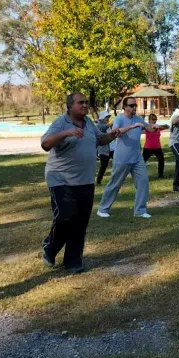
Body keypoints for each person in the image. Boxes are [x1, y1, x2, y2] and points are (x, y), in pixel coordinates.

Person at [41, 93, 117, 274]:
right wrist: (66, 132)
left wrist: (113, 135)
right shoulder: (61, 122)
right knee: (65, 216)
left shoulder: (89, 122)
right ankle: (50, 248)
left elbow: (99, 139)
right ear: (70, 106)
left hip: (84, 180)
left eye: (86, 103)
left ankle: (73, 261)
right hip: (60, 178)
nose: (85, 105)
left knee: (80, 221)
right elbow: (45, 144)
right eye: (80, 103)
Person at [97, 97, 158, 219]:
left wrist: (156, 127)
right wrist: (132, 126)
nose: (134, 107)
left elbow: (149, 129)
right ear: (124, 107)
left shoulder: (138, 119)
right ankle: (102, 209)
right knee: (115, 184)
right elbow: (115, 132)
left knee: (143, 182)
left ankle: (140, 210)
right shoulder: (119, 118)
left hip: (137, 158)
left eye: (135, 105)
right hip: (122, 158)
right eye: (131, 105)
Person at [142, 113, 167, 179]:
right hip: (148, 148)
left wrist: (162, 126)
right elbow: (144, 128)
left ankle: (160, 174)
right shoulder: (147, 127)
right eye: (153, 119)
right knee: (142, 162)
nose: (154, 121)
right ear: (149, 120)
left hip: (157, 147)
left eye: (155, 119)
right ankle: (140, 175)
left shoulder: (157, 126)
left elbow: (167, 126)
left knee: (161, 160)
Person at [95, 111, 114, 185]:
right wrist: (116, 120)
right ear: (102, 118)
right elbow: (105, 126)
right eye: (106, 117)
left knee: (117, 163)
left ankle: (115, 179)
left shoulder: (108, 125)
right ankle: (98, 181)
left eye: (108, 117)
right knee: (104, 166)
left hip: (112, 149)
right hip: (104, 150)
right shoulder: (99, 126)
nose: (108, 118)